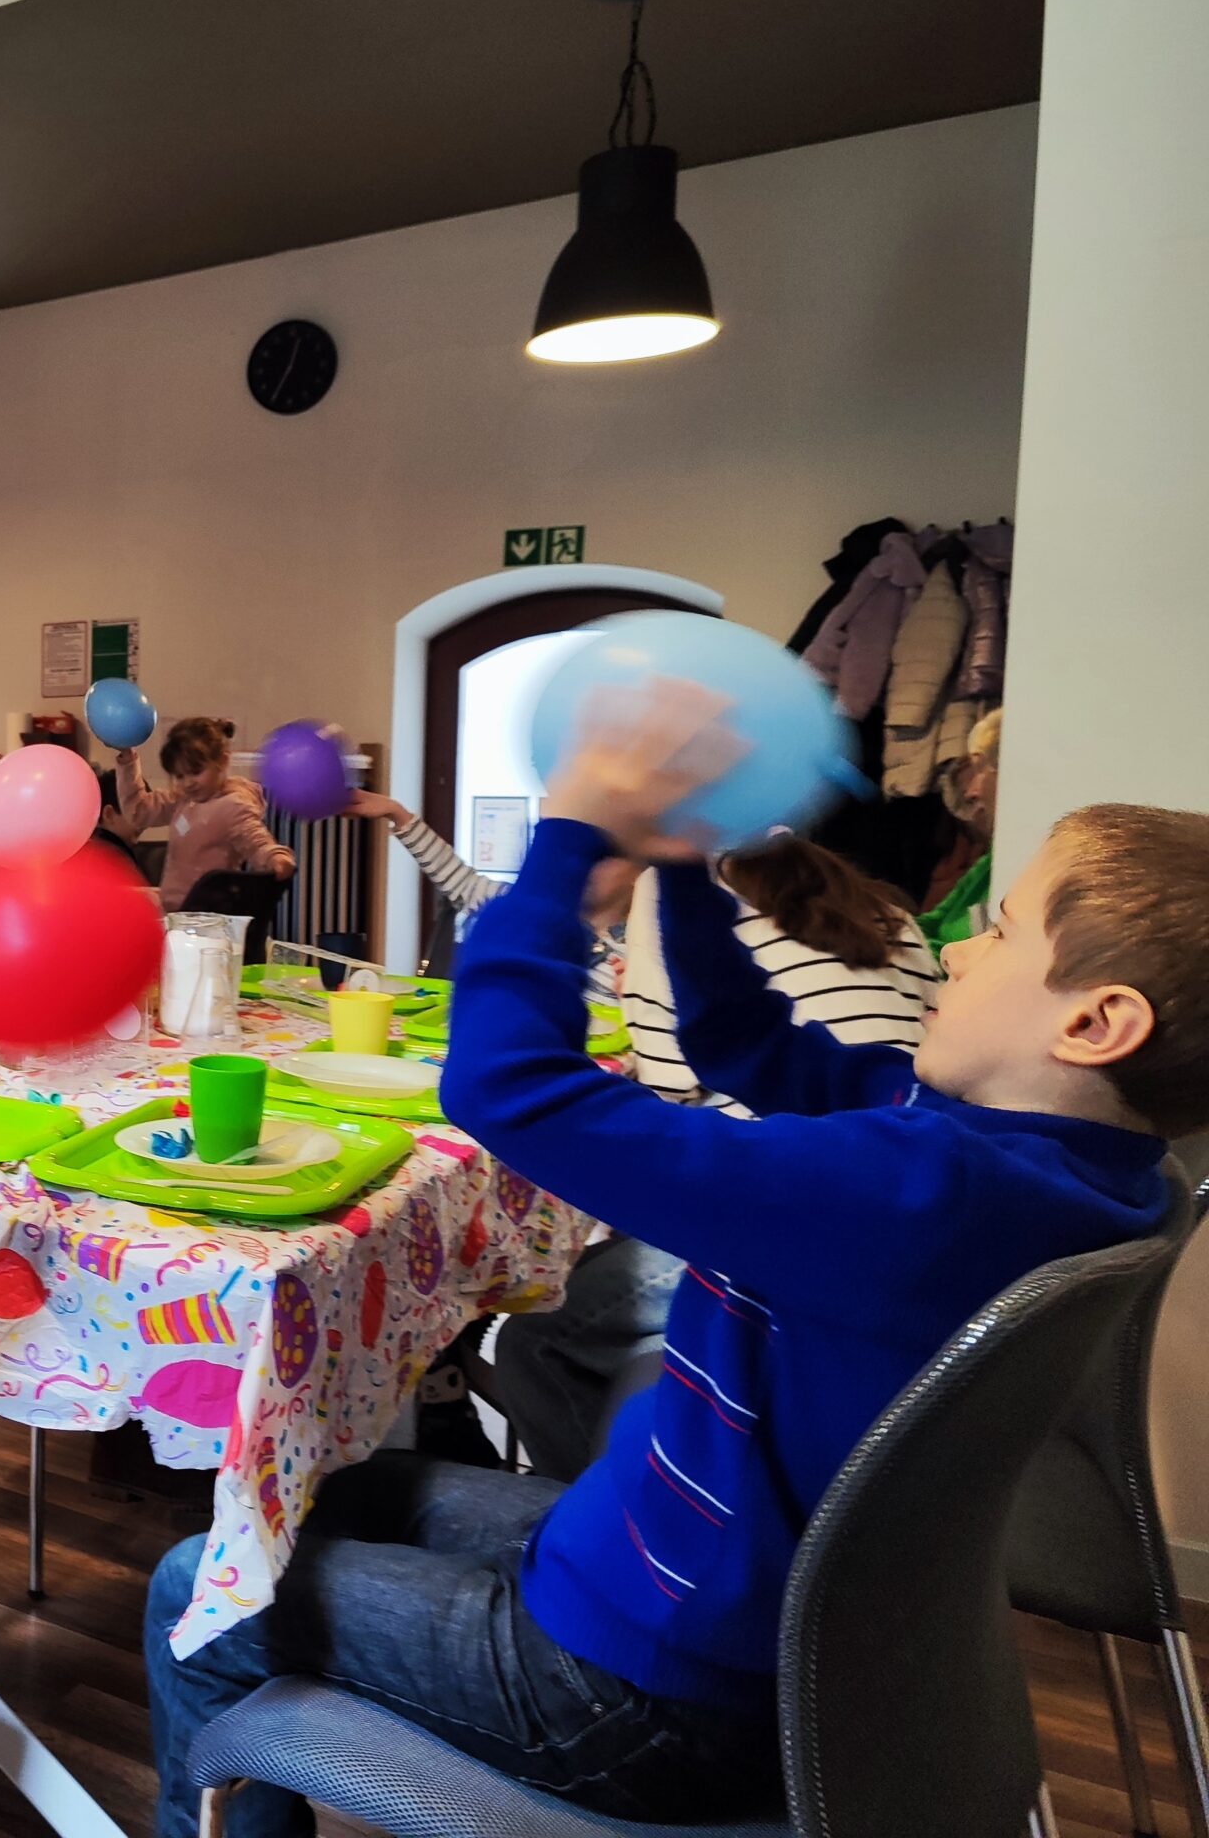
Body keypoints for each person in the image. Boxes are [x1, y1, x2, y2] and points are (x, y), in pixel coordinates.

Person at [145, 684, 1189, 1837]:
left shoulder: (910, 1194)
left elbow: (506, 1088)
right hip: (723, 1611)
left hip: (644, 1689)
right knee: (328, 1493)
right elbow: (743, 1041)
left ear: (1095, 1024)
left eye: (1002, 930)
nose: (963, 943)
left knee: (198, 1584)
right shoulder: (1057, 1174)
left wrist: (568, 841)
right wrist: (682, 867)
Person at [493, 833, 942, 1481]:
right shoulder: (884, 907)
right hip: (895, 1204)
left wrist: (633, 996)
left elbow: (674, 1084)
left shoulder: (670, 895)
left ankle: (591, 1518)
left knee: (535, 1340)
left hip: (785, 1220)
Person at [344, 787, 632, 1002]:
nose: (584, 865)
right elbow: (461, 880)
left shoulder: (645, 951)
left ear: (636, 869)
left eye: (602, 854)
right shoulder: (532, 914)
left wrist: (638, 997)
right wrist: (397, 813)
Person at [115, 716, 295, 912]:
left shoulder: (234, 805)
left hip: (211, 917)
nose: (188, 783)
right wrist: (128, 758)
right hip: (176, 913)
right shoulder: (181, 799)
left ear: (222, 762)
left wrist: (275, 857)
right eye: (179, 776)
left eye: (196, 771)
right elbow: (138, 812)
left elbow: (255, 839)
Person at [919, 706, 1002, 955]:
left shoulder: (1030, 862)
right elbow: (932, 922)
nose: (971, 792)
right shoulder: (993, 859)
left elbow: (978, 954)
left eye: (982, 770)